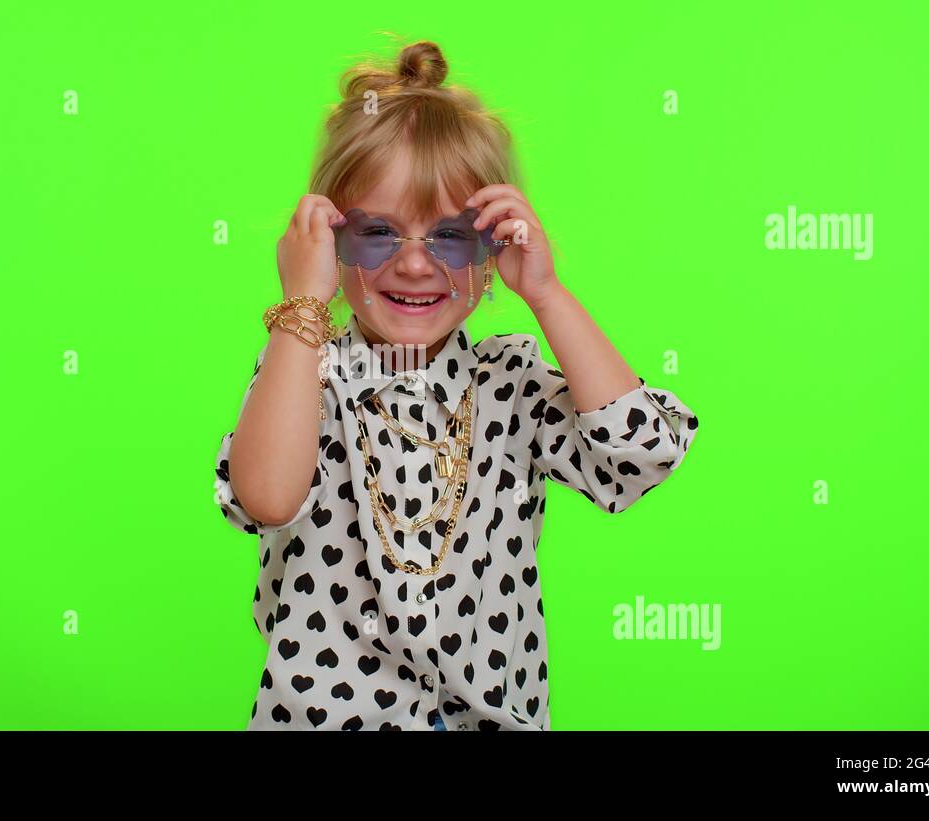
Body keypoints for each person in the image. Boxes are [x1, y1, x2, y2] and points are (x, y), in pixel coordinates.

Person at [214, 40, 700, 730]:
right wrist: (304, 306)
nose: (415, 265)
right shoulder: (304, 369)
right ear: (329, 239)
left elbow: (642, 451)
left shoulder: (510, 383)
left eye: (449, 236)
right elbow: (264, 497)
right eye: (377, 232)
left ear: (493, 243)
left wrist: (547, 292)